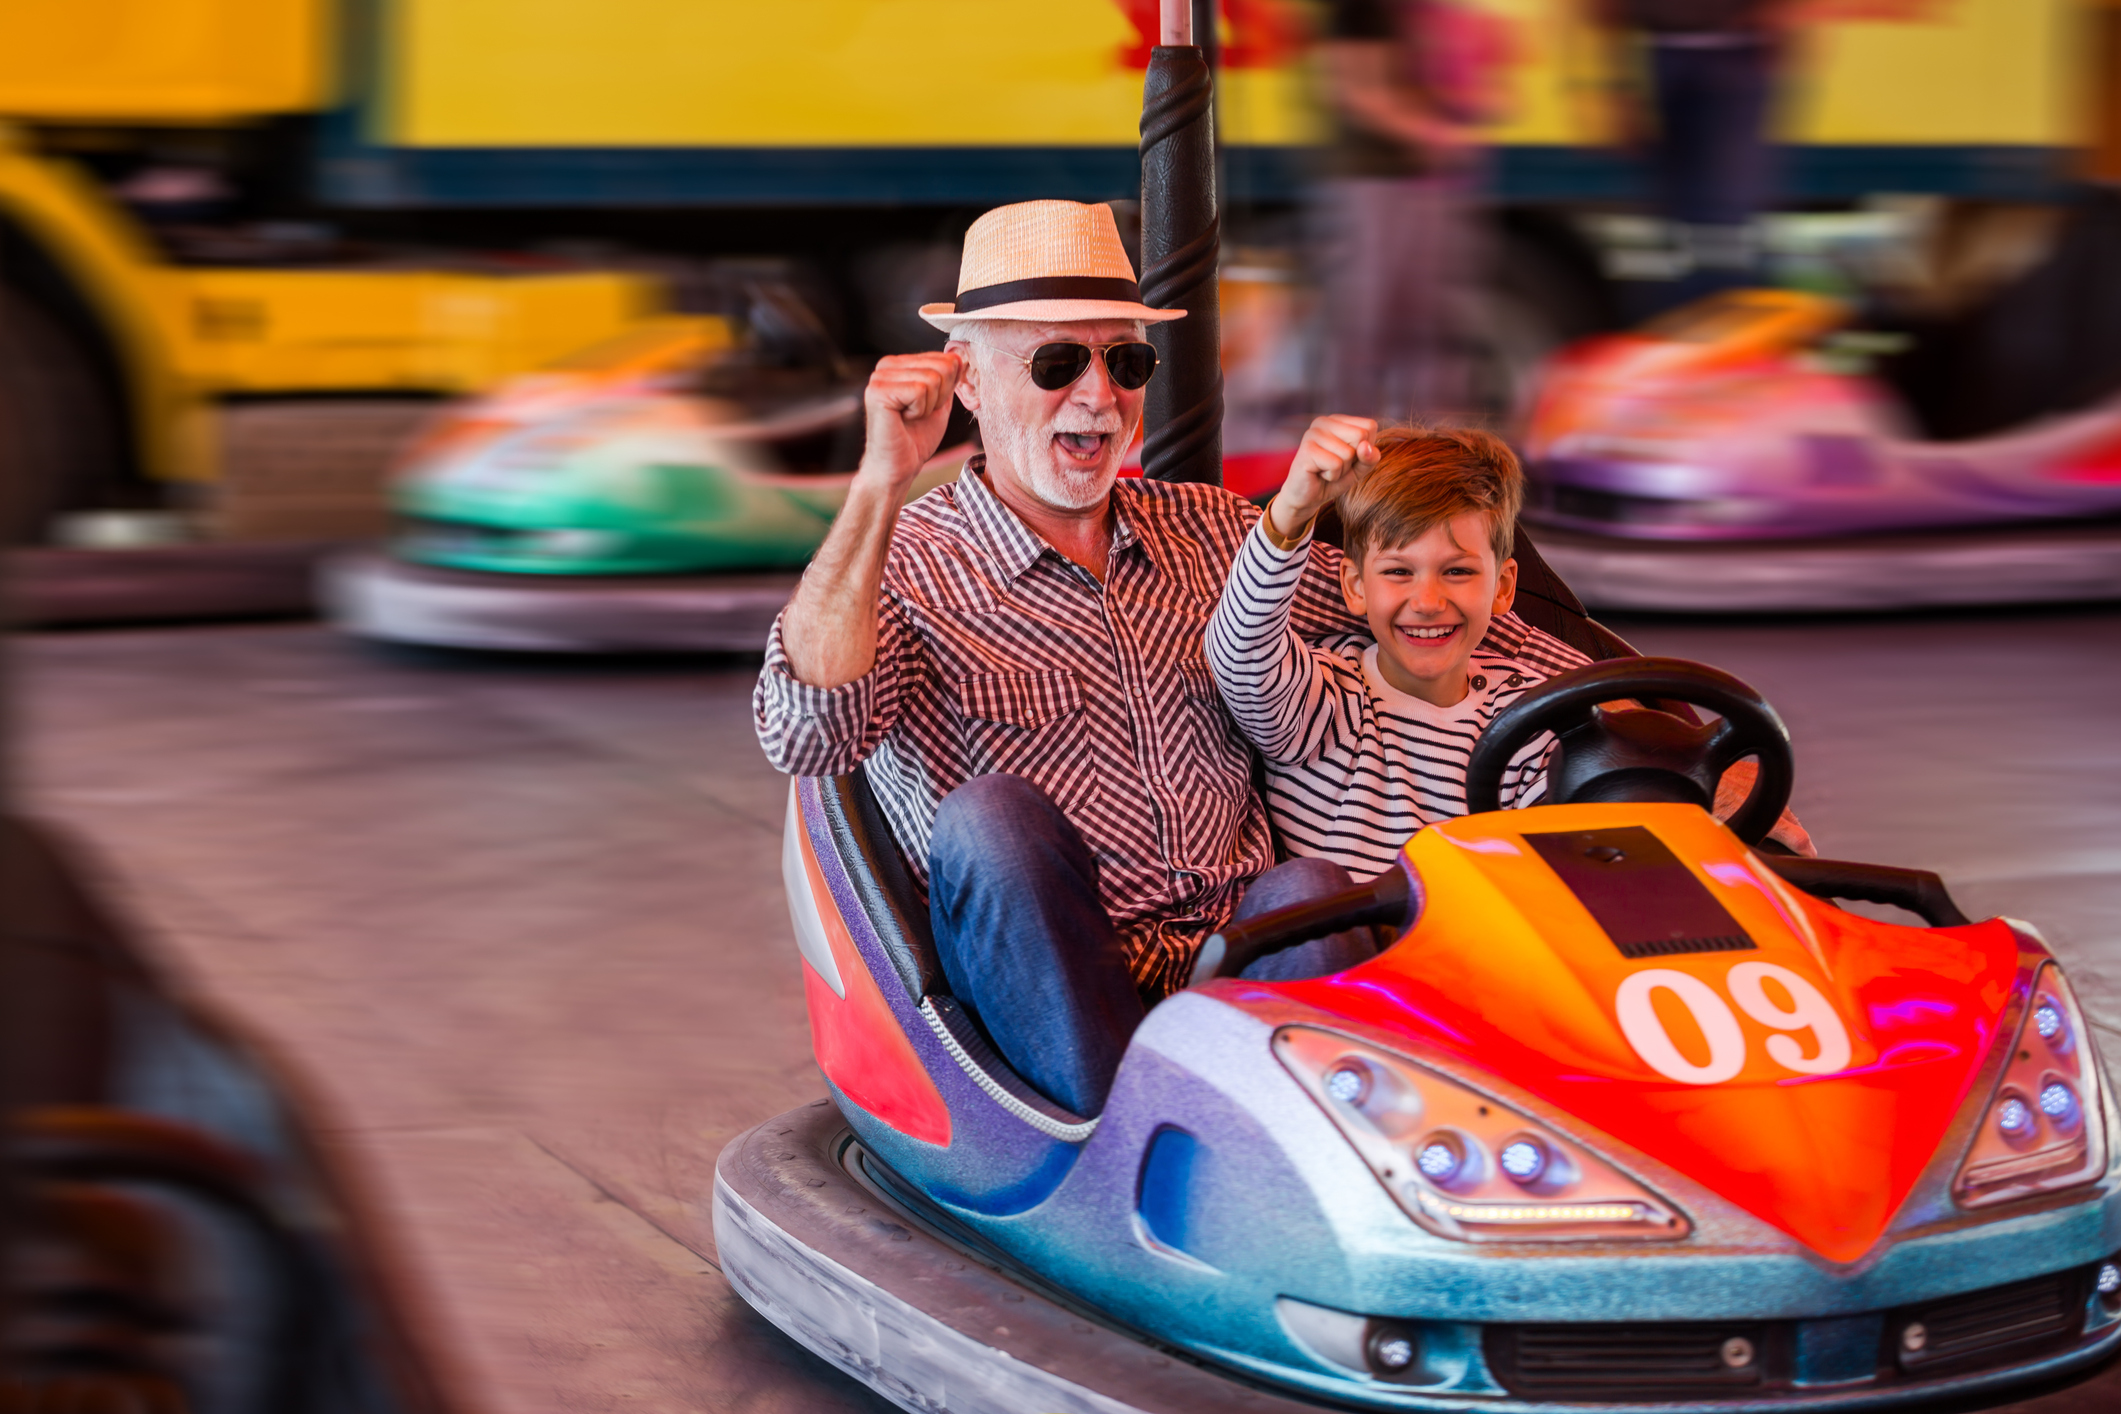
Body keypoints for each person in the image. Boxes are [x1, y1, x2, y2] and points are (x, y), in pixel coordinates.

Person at [752, 201, 1585, 1119]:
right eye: (1058, 362)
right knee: (992, 818)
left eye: (1126, 360)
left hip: (1232, 955)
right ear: (971, 385)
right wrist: (883, 477)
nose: (1099, 395)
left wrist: (1644, 723)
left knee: (1312, 889)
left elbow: (1421, 612)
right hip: (1048, 973)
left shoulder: (1211, 530)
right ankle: (1114, 1144)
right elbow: (808, 735)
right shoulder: (905, 562)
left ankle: (1296, 1149)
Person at [1207, 419, 1813, 876]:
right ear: (1353, 586)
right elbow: (1239, 650)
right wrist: (1289, 514)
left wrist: (1689, 780)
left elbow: (1577, 821)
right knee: (1305, 886)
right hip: (1359, 974)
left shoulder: (1532, 711)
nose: (1427, 600)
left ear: (1504, 589)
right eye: (1398, 572)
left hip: (1489, 973)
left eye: (1458, 572)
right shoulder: (1321, 698)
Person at [1313, 0, 1515, 423]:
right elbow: (1354, 88)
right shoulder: (1364, 13)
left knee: (1433, 330)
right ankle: (1356, 452)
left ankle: (1430, 452)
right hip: (1375, 185)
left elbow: (1490, 95)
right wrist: (1436, 136)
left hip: (1429, 187)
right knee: (1372, 330)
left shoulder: (1430, 15)